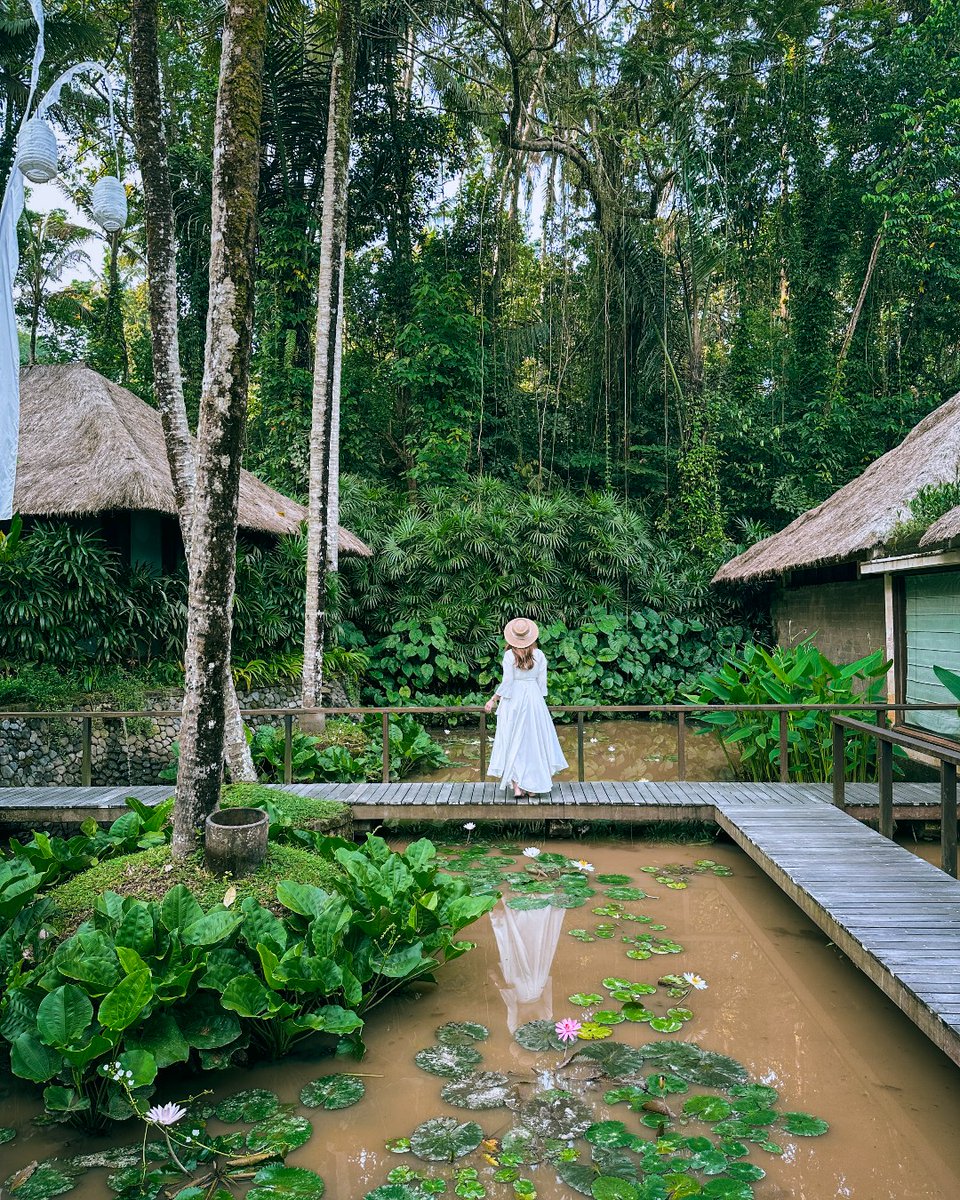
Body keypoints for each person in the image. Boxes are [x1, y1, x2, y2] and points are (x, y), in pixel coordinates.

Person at [485, 617, 568, 796]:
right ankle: (532, 787)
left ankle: (517, 787)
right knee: (533, 741)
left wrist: (493, 699)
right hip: (533, 699)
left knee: (512, 740)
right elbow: (542, 683)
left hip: (513, 700)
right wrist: (537, 699)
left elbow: (507, 682)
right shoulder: (539, 655)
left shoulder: (509, 655)